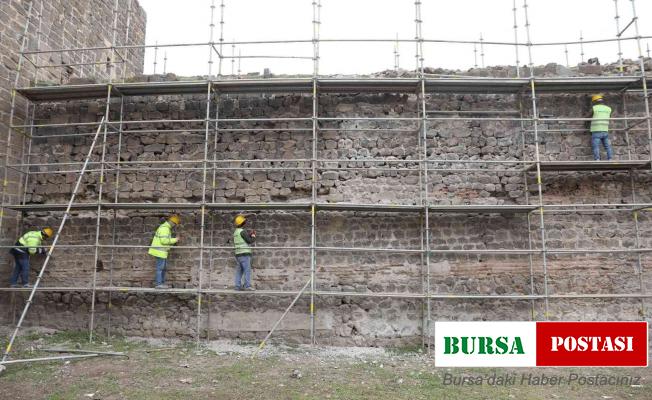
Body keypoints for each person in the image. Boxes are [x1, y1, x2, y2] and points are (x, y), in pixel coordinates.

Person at [148, 214, 180, 289]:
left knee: (163, 268)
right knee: (160, 268)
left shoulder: (166, 228)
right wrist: (175, 239)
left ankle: (162, 283)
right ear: (172, 222)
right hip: (160, 252)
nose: (174, 226)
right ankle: (159, 284)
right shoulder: (164, 228)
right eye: (175, 224)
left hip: (162, 252)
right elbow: (164, 241)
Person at [233, 214, 256, 291]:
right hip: (245, 253)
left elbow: (242, 239)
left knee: (239, 271)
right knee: (247, 270)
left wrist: (248, 235)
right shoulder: (243, 231)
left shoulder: (236, 232)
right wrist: (253, 235)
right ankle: (247, 286)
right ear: (243, 223)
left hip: (238, 254)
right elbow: (249, 241)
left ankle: (237, 286)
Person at [588, 94, 613, 161]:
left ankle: (597, 159)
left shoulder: (594, 108)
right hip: (605, 130)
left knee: (596, 146)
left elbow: (587, 117)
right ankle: (610, 159)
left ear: (595, 101)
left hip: (596, 130)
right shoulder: (609, 109)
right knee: (607, 146)